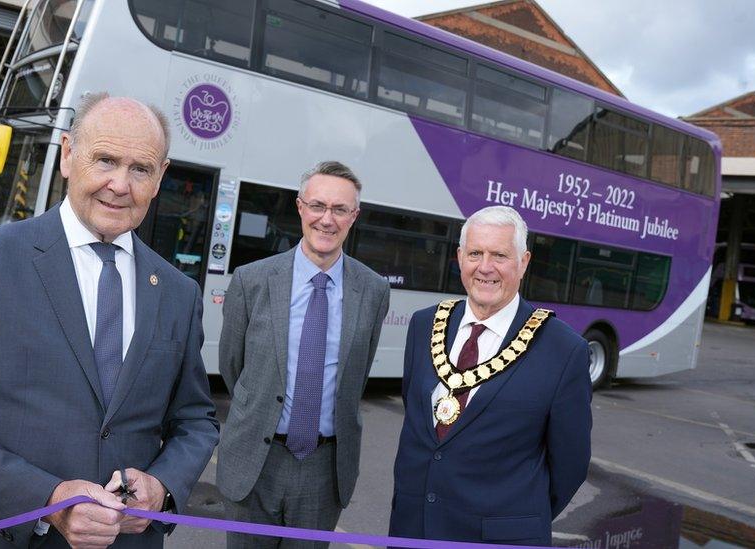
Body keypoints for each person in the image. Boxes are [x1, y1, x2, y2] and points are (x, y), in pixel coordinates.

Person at [0, 93, 219, 548]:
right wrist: (46, 498)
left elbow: (196, 420)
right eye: (104, 160)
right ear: (68, 156)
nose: (119, 185)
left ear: (160, 177)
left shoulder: (179, 293)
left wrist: (163, 486)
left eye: (140, 169)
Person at [388, 205, 591, 546]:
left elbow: (569, 465)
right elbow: (420, 419)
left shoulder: (563, 350)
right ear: (459, 257)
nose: (485, 267)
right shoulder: (425, 324)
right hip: (414, 529)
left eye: (499, 255)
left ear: (523, 262)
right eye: (475, 253)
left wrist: (513, 518)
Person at [217, 161, 390, 548]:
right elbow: (232, 366)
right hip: (255, 461)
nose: (327, 220)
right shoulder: (252, 280)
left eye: (339, 209)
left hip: (323, 470)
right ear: (300, 208)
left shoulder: (373, 290)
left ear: (354, 217)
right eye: (318, 206)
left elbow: (355, 377)